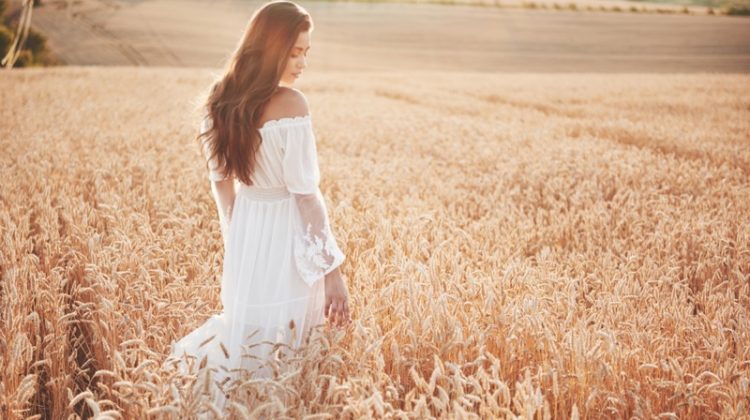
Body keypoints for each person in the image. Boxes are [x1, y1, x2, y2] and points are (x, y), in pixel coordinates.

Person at [163, 1, 351, 413]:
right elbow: (306, 197)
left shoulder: (218, 102)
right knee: (288, 345)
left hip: (247, 234)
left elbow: (222, 187)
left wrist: (240, 242)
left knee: (247, 336)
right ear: (271, 47)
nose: (302, 63)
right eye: (295, 51)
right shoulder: (293, 105)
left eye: (306, 53)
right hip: (287, 238)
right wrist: (332, 272)